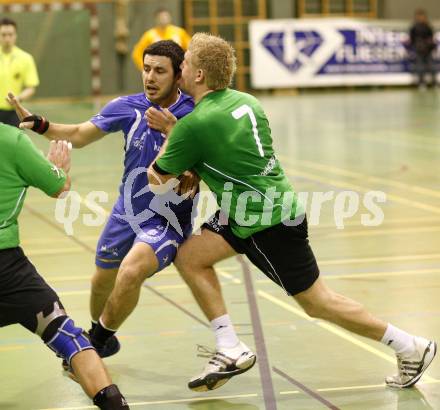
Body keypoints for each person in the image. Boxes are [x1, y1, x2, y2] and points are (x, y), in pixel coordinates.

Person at [148, 33, 437, 392]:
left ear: (200, 75)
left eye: (186, 62)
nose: (181, 67)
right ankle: (229, 347)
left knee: (318, 303)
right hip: (248, 210)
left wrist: (168, 138)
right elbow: (218, 148)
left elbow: (158, 181)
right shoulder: (245, 102)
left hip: (266, 223)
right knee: (190, 257)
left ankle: (410, 346)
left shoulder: (194, 125)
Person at [7, 40, 197, 361]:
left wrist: (194, 170)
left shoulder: (194, 112)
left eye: (159, 71)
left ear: (179, 76)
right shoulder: (128, 106)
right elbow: (80, 134)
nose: (150, 77)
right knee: (100, 282)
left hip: (167, 218)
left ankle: (94, 341)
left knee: (131, 270)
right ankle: (104, 338)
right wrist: (42, 125)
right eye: (146, 69)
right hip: (126, 212)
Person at [0, 124, 129, 409]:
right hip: (7, 269)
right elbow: (58, 187)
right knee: (65, 334)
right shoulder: (13, 141)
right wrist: (56, 169)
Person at [0, 18, 39, 127]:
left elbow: (31, 87)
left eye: (10, 34)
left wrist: (19, 98)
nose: (7, 38)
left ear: (15, 35)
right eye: (3, 35)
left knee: (15, 143)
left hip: (14, 112)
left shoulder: (26, 58)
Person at [409, 9, 437, 89]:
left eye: (422, 16)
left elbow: (431, 38)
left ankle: (434, 83)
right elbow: (412, 39)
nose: (421, 18)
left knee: (432, 67)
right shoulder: (414, 27)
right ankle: (421, 83)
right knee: (420, 67)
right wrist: (417, 45)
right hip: (419, 50)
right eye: (419, 17)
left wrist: (429, 45)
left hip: (428, 50)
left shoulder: (428, 27)